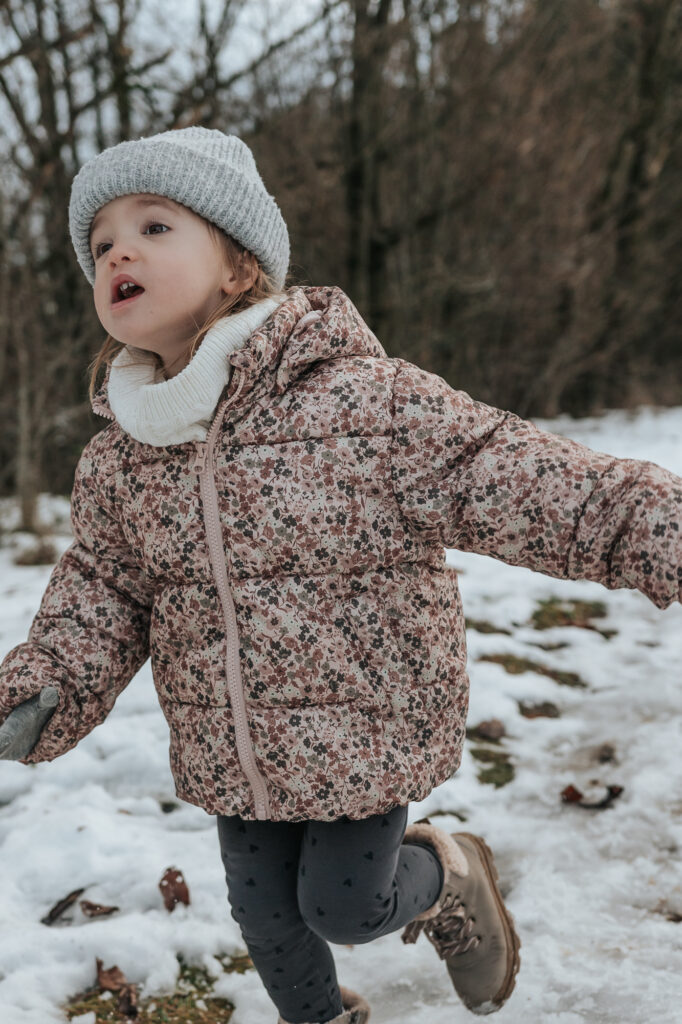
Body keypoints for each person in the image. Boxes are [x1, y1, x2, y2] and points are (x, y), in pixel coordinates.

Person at [0, 126, 680, 1024]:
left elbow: (520, 478)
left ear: (240, 266)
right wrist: (45, 685)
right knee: (269, 924)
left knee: (342, 908)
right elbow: (105, 592)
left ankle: (446, 872)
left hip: (364, 729)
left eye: (155, 227)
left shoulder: (360, 402)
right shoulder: (122, 461)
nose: (117, 250)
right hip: (230, 746)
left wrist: (662, 530)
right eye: (100, 246)